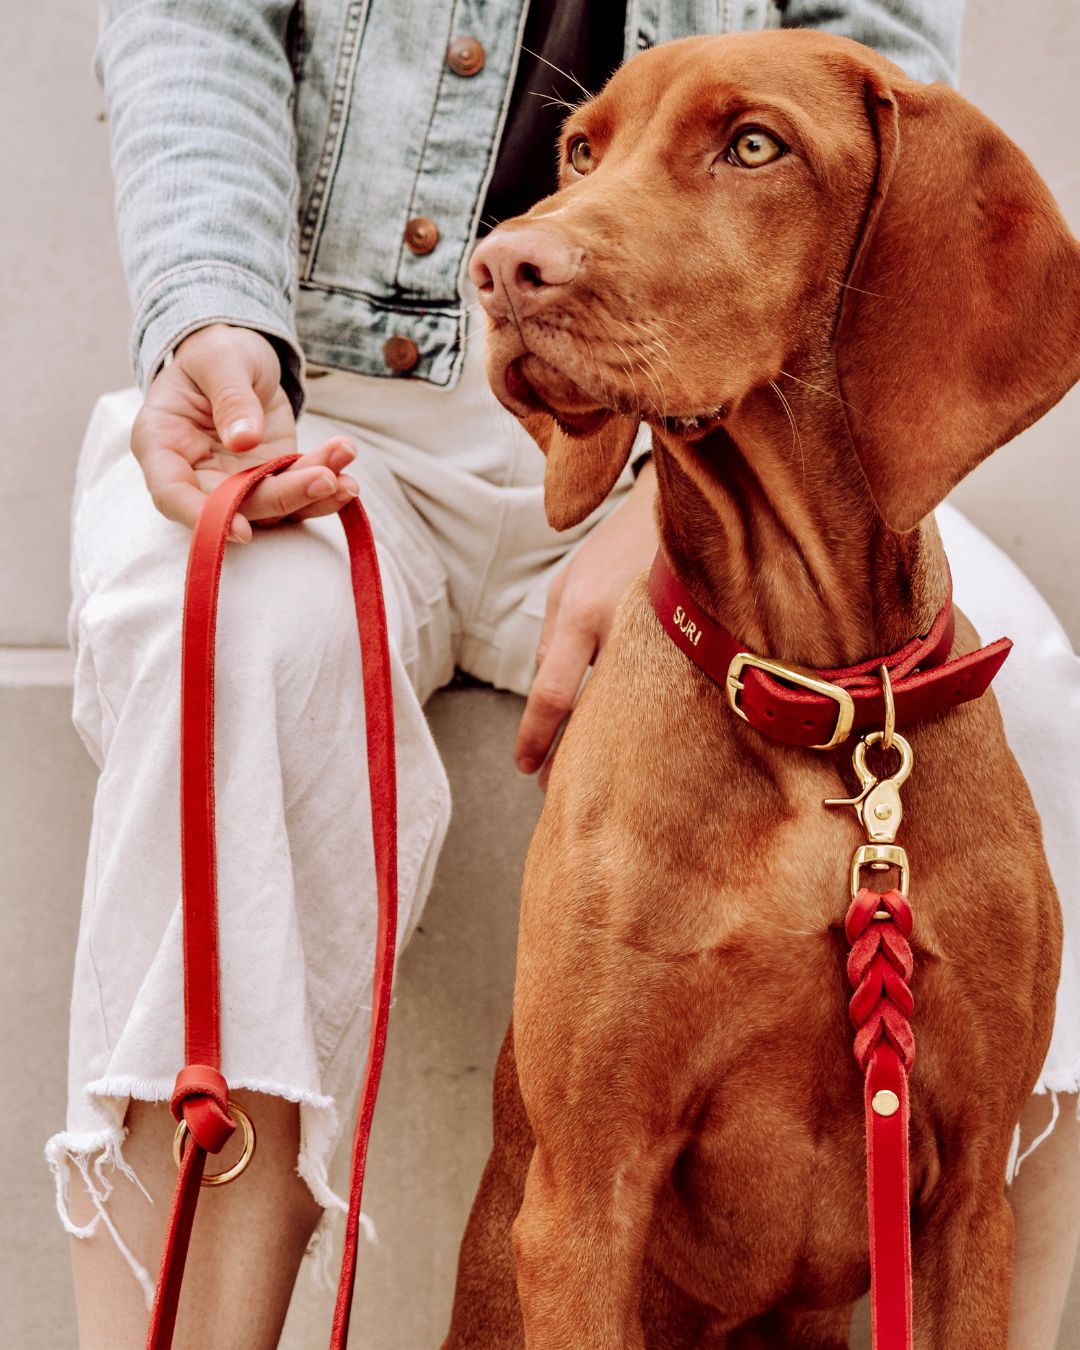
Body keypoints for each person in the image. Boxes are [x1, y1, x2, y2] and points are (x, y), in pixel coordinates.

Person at [48, 2, 1080, 1346]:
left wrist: (665, 490)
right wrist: (209, 310)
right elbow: (195, 19)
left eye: (745, 145)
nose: (525, 239)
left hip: (722, 425)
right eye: (582, 155)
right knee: (236, 657)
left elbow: (871, 69)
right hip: (326, 397)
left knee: (1032, 699)